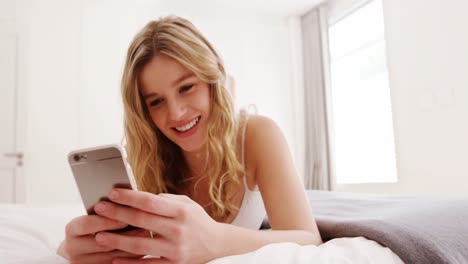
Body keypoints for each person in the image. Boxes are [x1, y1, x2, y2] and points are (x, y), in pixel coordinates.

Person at [57, 16, 322, 264]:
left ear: (213, 77)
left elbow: (309, 239)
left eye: (186, 87)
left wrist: (216, 241)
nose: (175, 113)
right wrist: (74, 248)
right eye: (156, 101)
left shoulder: (257, 133)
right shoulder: (146, 156)